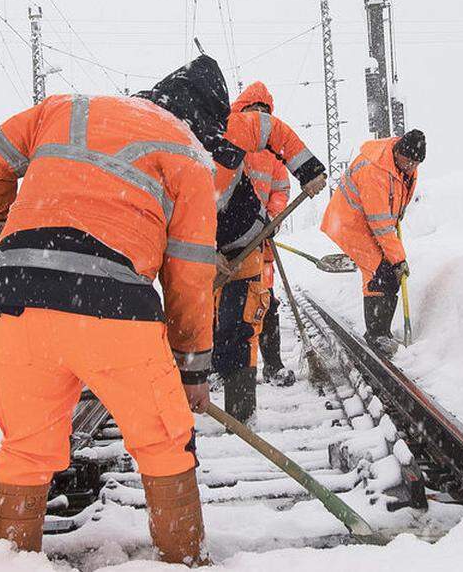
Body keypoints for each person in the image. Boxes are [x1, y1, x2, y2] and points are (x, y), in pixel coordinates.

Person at [0, 85, 219, 564]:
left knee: (25, 450)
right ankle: (185, 560)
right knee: (165, 443)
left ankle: (11, 560)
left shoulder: (66, 107)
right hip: (114, 306)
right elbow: (189, 272)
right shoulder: (189, 154)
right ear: (199, 122)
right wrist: (191, 371)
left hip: (16, 297)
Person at [137, 68, 326, 423]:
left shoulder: (235, 125)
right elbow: (162, 217)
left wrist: (308, 169)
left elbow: (274, 131)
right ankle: (189, 405)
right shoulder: (162, 147)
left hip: (247, 238)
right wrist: (208, 256)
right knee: (197, 322)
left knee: (240, 326)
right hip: (198, 248)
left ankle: (240, 419)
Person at [320, 130, 425, 354]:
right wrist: (399, 259)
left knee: (386, 273)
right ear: (398, 153)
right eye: (408, 162)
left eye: (416, 163)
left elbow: (397, 199)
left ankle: (382, 332)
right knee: (382, 273)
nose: (411, 168)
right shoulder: (374, 170)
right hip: (350, 224)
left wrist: (398, 213)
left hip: (369, 222)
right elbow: (380, 223)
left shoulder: (406, 165)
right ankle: (376, 334)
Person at [235, 85, 296, 387]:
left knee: (266, 304)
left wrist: (272, 217)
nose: (258, 118)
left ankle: (273, 364)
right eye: (253, 111)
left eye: (264, 113)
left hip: (262, 245)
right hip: (230, 245)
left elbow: (281, 188)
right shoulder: (229, 143)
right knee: (224, 309)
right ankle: (226, 371)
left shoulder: (273, 153)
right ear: (240, 111)